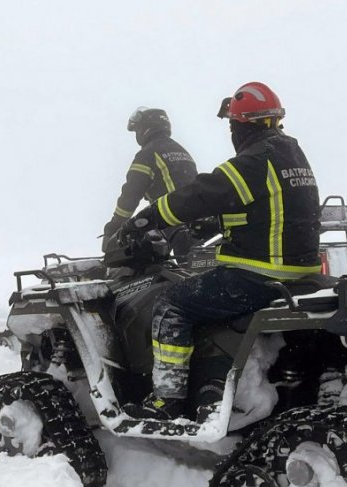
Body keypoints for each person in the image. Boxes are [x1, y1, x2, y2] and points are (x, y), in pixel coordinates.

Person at [119, 82, 321, 421]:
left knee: (171, 304)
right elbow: (261, 207)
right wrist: (208, 226)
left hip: (259, 273)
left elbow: (202, 192)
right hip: (298, 270)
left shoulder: (255, 159)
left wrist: (147, 218)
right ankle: (211, 378)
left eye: (232, 125)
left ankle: (167, 400)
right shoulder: (290, 154)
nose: (232, 132)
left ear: (242, 125)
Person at [102, 107, 198, 255]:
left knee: (151, 255)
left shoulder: (148, 154)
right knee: (194, 261)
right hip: (198, 215)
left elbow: (131, 193)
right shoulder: (180, 150)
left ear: (144, 129)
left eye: (137, 130)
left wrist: (115, 226)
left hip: (174, 217)